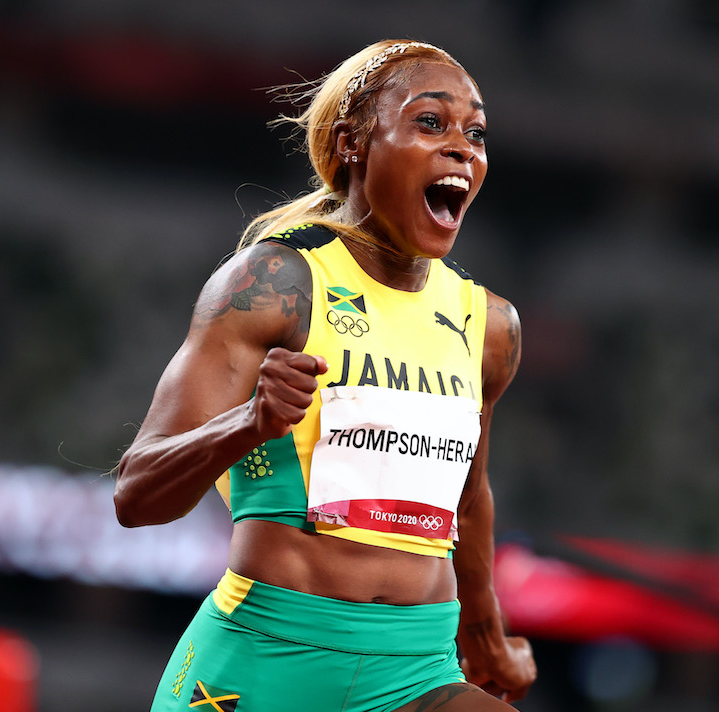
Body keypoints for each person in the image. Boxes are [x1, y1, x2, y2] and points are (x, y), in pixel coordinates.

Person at [114, 39, 536, 712]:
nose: (462, 148)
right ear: (351, 142)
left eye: (476, 133)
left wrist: (485, 634)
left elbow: (468, 495)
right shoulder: (274, 283)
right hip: (263, 663)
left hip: (415, 668)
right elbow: (137, 496)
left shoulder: (488, 325)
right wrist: (248, 423)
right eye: (431, 122)